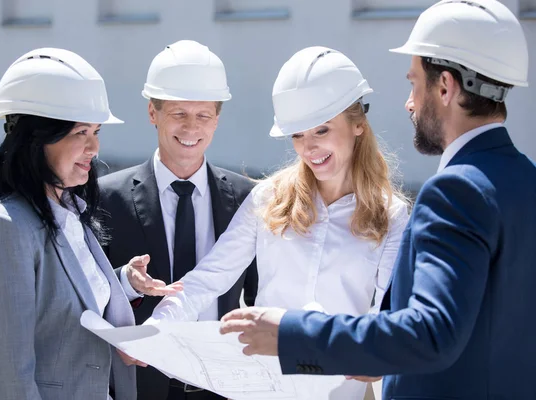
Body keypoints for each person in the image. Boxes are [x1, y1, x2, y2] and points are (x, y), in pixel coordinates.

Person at [220, 1, 536, 399]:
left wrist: (292, 334)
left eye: (414, 83)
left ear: (445, 87)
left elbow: (429, 333)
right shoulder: (527, 181)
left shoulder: (456, 192)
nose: (409, 102)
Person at [146, 46, 409, 400]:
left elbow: (383, 321)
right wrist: (154, 329)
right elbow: (209, 279)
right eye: (298, 135)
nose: (309, 147)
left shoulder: (391, 215)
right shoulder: (269, 198)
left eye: (321, 130)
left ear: (358, 124)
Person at [0, 48, 137, 400]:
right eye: (80, 132)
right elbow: (9, 378)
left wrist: (124, 282)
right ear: (36, 140)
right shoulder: (5, 227)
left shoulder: (69, 208)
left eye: (97, 131)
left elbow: (64, 298)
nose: (94, 147)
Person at [98, 40, 258, 400]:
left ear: (217, 119)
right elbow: (88, 298)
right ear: (152, 113)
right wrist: (126, 282)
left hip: (222, 387)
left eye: (203, 115)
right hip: (140, 387)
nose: (191, 128)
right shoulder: (106, 197)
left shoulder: (247, 198)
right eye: (178, 114)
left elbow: (262, 295)